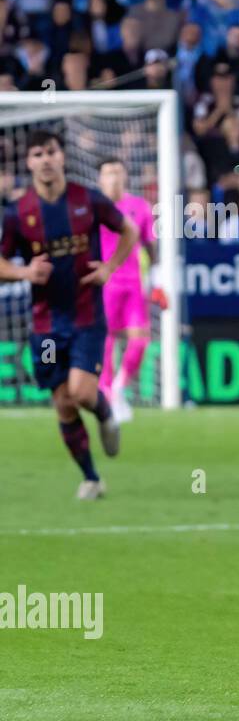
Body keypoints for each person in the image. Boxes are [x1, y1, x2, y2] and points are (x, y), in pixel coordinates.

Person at [0, 131, 140, 498]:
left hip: (86, 318)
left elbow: (130, 229)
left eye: (51, 152)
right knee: (62, 402)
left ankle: (106, 412)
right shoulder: (19, 213)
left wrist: (109, 268)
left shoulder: (87, 200)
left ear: (62, 157)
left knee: (79, 392)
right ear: (28, 162)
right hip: (45, 327)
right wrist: (24, 272)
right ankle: (92, 478)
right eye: (37, 154)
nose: (45, 159)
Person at [96, 158, 160, 422]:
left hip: (133, 283)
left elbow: (150, 245)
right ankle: (108, 395)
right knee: (106, 341)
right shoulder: (92, 208)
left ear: (125, 176)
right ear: (99, 178)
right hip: (104, 284)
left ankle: (120, 387)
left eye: (117, 172)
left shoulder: (139, 207)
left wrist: (157, 278)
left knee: (140, 339)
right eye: (108, 173)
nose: (113, 177)